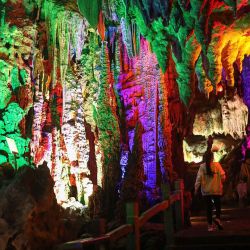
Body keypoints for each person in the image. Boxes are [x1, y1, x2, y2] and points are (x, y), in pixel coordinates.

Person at [195, 149, 226, 232]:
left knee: (208, 208)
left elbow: (198, 179)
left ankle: (210, 226)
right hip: (216, 189)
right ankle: (218, 218)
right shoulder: (217, 165)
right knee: (217, 206)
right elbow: (223, 176)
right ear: (212, 157)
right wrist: (221, 182)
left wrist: (196, 188)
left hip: (206, 191)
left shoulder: (202, 167)